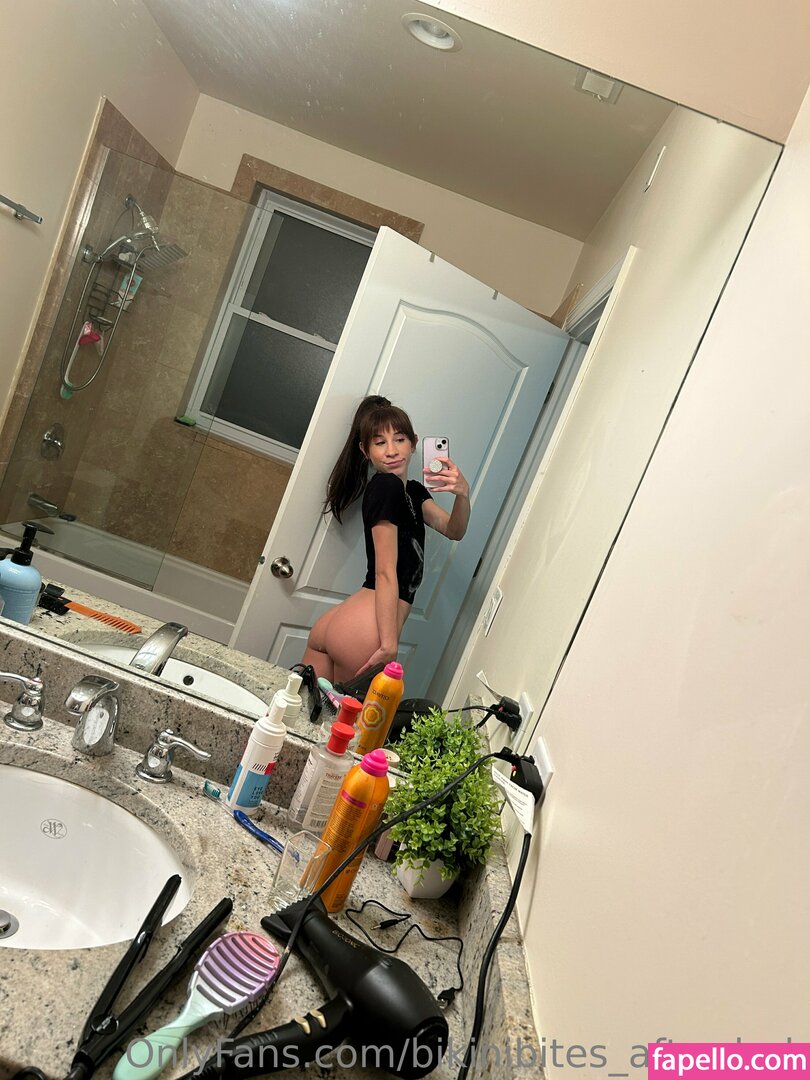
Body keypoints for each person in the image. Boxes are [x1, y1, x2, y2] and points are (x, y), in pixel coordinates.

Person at [301, 395, 470, 683]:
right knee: (346, 714)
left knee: (303, 707)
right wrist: (389, 645)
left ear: (414, 443)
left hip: (342, 623)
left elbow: (454, 530)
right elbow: (384, 572)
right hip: (366, 633)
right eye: (380, 443)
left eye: (399, 440)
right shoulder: (386, 486)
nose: (391, 451)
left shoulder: (412, 492)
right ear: (365, 450)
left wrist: (462, 494)